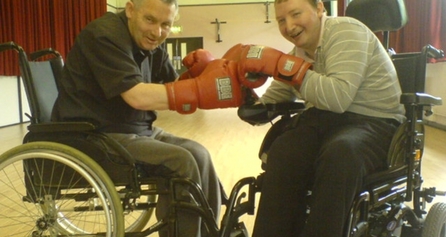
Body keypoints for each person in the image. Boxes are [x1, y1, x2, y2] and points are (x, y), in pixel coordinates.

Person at [51, 0, 244, 236]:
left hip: (135, 128)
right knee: (181, 162)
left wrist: (202, 72)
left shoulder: (152, 44)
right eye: (150, 20)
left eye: (166, 24)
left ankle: (210, 232)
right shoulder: (104, 36)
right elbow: (137, 97)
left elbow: (174, 86)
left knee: (200, 155)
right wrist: (199, 89)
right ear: (131, 10)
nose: (157, 32)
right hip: (96, 134)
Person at [230, 0, 406, 236]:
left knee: (341, 153)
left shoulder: (347, 31)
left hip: (374, 121)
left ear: (320, 8)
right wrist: (243, 93)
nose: (289, 26)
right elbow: (275, 97)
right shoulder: (298, 53)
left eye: (295, 14)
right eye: (281, 20)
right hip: (325, 122)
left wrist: (288, 68)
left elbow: (337, 98)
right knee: (284, 149)